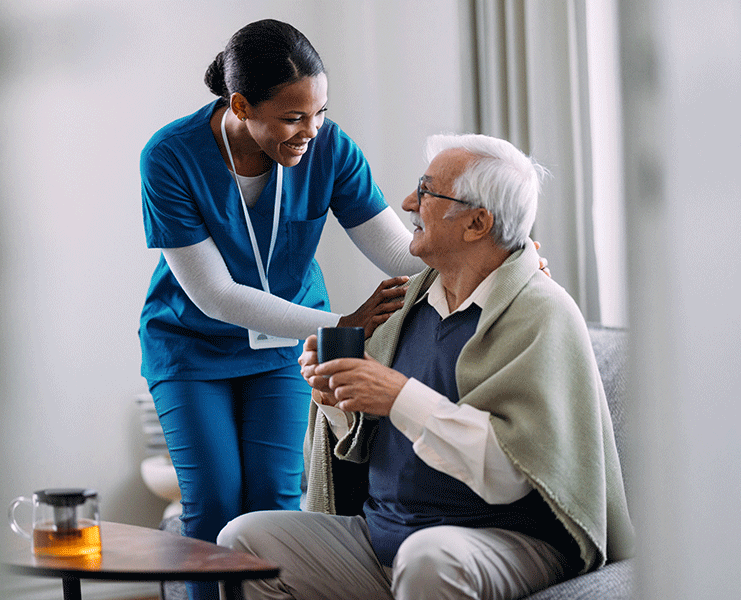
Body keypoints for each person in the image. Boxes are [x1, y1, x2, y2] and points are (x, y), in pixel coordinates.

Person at [217, 133, 635, 600]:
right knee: (244, 540)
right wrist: (337, 399)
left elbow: (513, 472)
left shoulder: (541, 312)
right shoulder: (405, 302)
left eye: (428, 192)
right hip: (385, 537)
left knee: (429, 556)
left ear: (477, 223)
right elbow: (359, 442)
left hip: (508, 539)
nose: (408, 202)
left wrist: (397, 396)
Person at [139, 19, 426, 600]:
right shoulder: (170, 156)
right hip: (191, 348)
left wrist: (498, 256)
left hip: (286, 350)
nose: (311, 131)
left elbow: (398, 249)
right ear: (241, 105)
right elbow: (214, 295)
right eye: (293, 118)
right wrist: (340, 326)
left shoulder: (330, 148)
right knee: (213, 504)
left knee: (273, 504)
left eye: (319, 112)